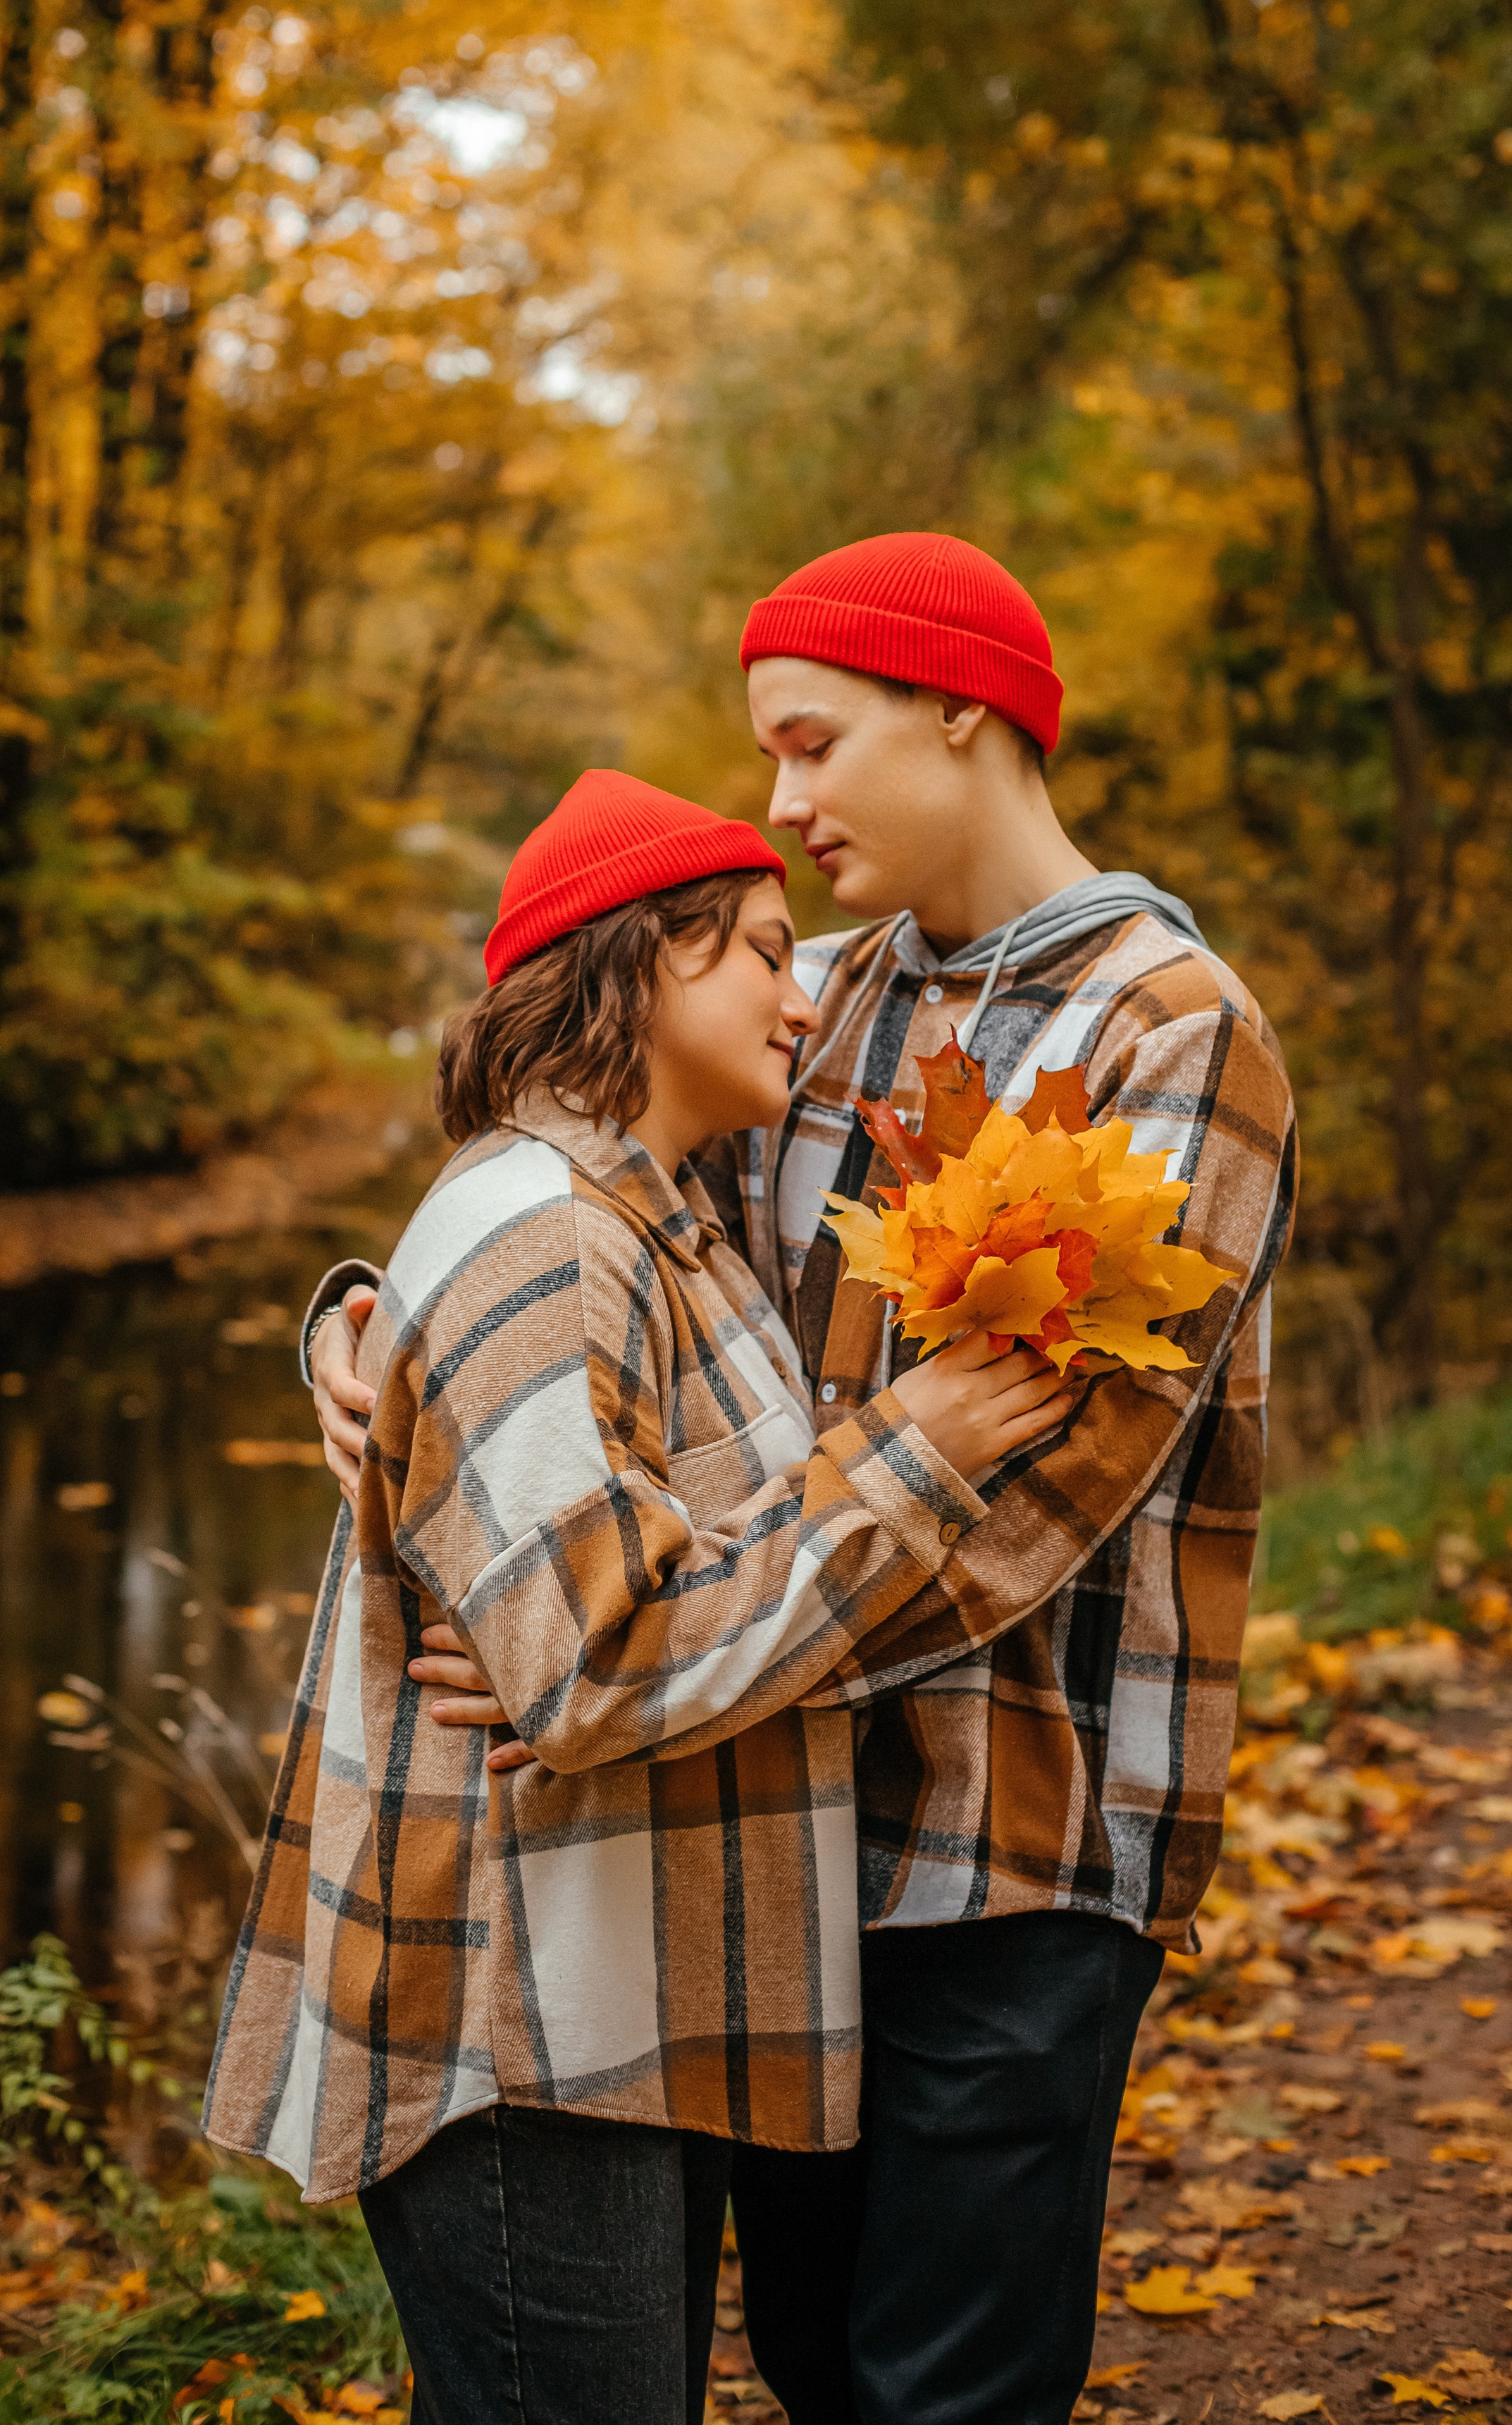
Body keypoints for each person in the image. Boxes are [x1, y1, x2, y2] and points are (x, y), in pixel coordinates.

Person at [313, 534, 1298, 2425]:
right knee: (816, 2362)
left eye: (816, 745)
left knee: (945, 2387)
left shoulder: (1174, 1035)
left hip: (1012, 1841)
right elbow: (572, 1222)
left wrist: (617, 1681)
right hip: (774, 1839)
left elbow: (1020, 1517)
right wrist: (368, 1321)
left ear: (965, 713)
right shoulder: (813, 1003)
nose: (779, 803)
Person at [204, 767, 1084, 2425]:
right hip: (516, 2028)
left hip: (601, 1998)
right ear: (645, 964)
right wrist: (911, 1449)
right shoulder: (549, 1238)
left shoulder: (655, 1220)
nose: (802, 988)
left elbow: (641, 1584)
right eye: (761, 948)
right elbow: (595, 1666)